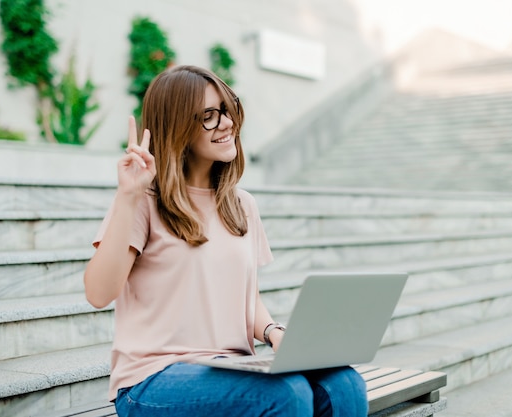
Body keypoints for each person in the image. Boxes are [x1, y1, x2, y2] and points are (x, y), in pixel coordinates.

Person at [84, 64, 368, 417]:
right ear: (177, 127)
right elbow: (98, 293)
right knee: (286, 394)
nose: (227, 122)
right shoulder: (143, 200)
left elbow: (244, 297)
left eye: (228, 108)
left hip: (230, 368)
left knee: (343, 385)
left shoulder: (241, 205)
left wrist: (273, 331)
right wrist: (127, 197)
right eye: (208, 115)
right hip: (153, 379)